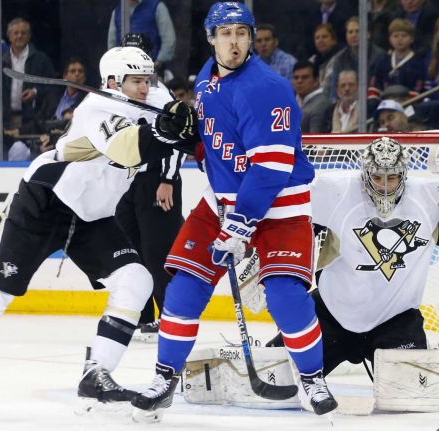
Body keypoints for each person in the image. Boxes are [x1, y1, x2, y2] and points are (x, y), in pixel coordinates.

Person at [131, 2, 337, 421]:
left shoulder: (268, 88)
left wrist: (240, 228)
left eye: (242, 33)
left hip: (280, 204)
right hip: (222, 201)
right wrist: (189, 141)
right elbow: (219, 147)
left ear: (252, 37)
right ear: (211, 39)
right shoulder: (206, 80)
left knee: (285, 297)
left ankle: (313, 378)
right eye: (225, 33)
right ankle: (164, 377)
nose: (234, 41)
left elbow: (271, 169)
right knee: (185, 286)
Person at [0, 46, 196, 407]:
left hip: (92, 217)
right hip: (47, 201)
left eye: (147, 79)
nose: (144, 87)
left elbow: (179, 127)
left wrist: (189, 127)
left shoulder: (150, 96)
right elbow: (128, 150)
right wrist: (168, 131)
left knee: (137, 280)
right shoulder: (96, 108)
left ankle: (96, 374)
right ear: (112, 82)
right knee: (1, 286)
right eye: (135, 81)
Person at [268, 136, 439, 375]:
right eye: (377, 178)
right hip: (330, 315)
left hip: (397, 321)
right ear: (365, 175)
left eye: (393, 177)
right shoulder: (335, 192)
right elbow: (290, 220)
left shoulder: (428, 198)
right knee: (276, 377)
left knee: (410, 397)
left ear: (404, 175)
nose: (385, 185)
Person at [115, 32, 187, 343]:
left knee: (159, 253)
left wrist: (167, 179)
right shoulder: (118, 95)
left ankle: (171, 318)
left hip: (157, 180)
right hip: (128, 182)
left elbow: (179, 138)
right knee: (131, 251)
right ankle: (142, 318)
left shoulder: (157, 95)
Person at [0, 18, 55, 130]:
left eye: (23, 33)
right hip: (5, 120)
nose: (19, 36)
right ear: (9, 36)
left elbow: (53, 87)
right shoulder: (0, 61)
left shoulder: (41, 59)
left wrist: (35, 92)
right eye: (16, 33)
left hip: (33, 121)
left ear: (29, 36)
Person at [108, 0, 176, 72]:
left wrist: (158, 63)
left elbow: (169, 39)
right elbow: (112, 42)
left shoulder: (157, 7)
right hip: (124, 70)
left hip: (151, 69)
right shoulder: (117, 11)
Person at [371, 18, 425, 94]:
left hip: (409, 101)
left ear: (412, 39)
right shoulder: (383, 61)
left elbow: (418, 86)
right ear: (390, 39)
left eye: (404, 35)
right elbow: (376, 84)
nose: (400, 39)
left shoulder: (417, 62)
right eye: (395, 36)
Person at [293, 60, 333, 133]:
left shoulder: (322, 104)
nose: (299, 81)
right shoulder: (292, 100)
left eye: (304, 77)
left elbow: (315, 140)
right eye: (296, 78)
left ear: (316, 81)